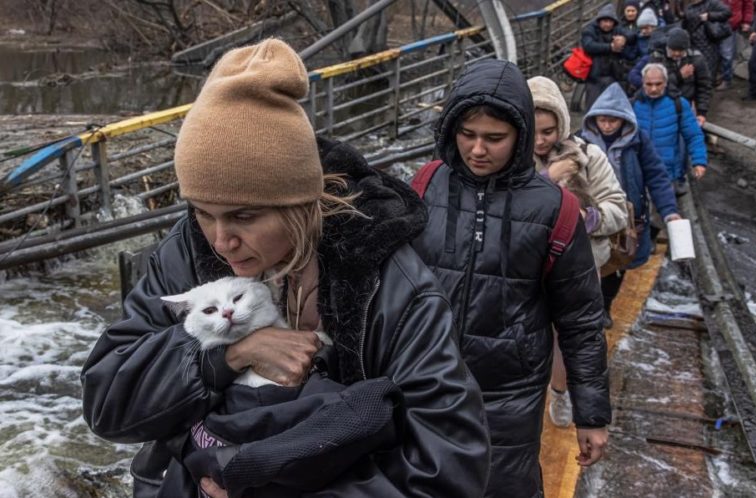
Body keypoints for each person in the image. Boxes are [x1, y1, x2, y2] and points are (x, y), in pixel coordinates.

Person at [80, 39, 491, 498]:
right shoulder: (185, 253)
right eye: (202, 211)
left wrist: (272, 485)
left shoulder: (391, 283)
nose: (220, 239)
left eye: (244, 216)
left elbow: (450, 469)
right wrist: (226, 356)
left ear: (297, 205)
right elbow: (107, 403)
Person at [411, 59, 611, 498]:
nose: (477, 149)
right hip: (423, 378)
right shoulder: (427, 186)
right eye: (467, 135)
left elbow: (581, 320)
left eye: (494, 138)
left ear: (520, 135)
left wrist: (591, 415)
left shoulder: (555, 210)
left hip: (509, 392)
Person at [528, 75, 628, 429]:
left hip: (580, 267)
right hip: (526, 268)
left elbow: (618, 207)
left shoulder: (588, 157)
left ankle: (559, 390)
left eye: (549, 131)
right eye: (533, 130)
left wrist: (585, 219)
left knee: (564, 336)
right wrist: (549, 179)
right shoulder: (508, 160)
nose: (540, 141)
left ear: (562, 125)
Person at [579, 81, 681, 330]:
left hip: (627, 216)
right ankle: (585, 308)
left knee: (618, 263)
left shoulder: (637, 142)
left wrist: (669, 211)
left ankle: (604, 306)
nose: (607, 125)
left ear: (623, 120)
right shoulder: (581, 143)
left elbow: (656, 176)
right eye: (602, 120)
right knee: (589, 261)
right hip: (593, 214)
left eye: (612, 120)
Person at [632, 64, 708, 195]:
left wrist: (699, 161)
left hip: (668, 172)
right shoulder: (633, 105)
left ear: (666, 83)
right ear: (643, 83)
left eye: (658, 84)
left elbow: (694, 135)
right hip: (639, 172)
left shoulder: (678, 104)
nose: (654, 89)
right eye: (649, 84)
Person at [628, 28, 713, 125]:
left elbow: (704, 86)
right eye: (673, 50)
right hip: (662, 105)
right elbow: (656, 85)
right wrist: (679, 76)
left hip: (686, 105)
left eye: (680, 51)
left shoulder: (696, 59)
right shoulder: (657, 57)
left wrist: (702, 112)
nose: (676, 54)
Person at [582, 3, 639, 109]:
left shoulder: (617, 29)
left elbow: (632, 35)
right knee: (593, 107)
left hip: (614, 75)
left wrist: (624, 39)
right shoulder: (590, 30)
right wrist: (610, 47)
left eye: (610, 22)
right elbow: (588, 45)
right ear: (599, 21)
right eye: (605, 21)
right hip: (594, 77)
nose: (607, 25)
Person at [682, 0, 733, 78]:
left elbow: (727, 12)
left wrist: (709, 16)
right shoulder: (689, 7)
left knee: (707, 71)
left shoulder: (712, 3)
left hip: (708, 43)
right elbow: (685, 25)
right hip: (693, 44)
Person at [718, 0, 754, 90]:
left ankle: (727, 79)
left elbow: (748, 4)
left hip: (730, 22)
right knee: (716, 51)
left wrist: (746, 21)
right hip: (714, 21)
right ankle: (720, 76)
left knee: (727, 53)